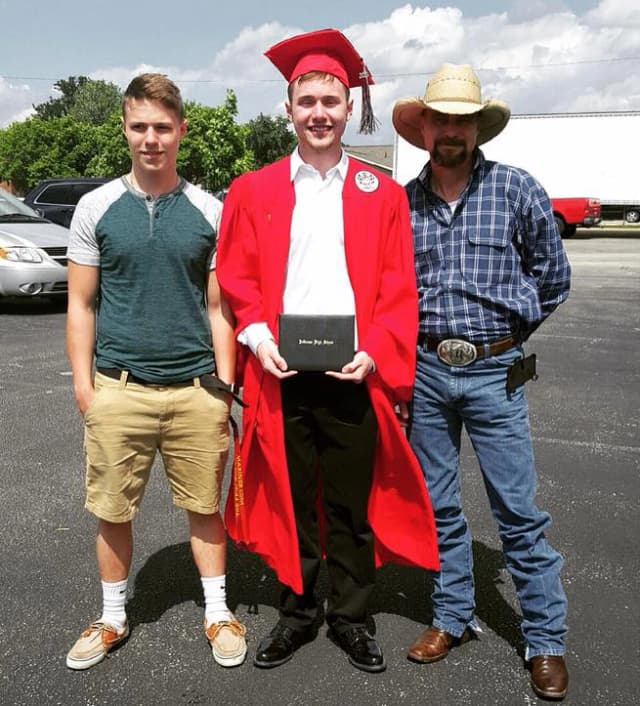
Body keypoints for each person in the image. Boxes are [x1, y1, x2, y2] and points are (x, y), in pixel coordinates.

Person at [216, 29, 439, 673]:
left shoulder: (382, 193)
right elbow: (237, 277)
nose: (318, 112)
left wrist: (374, 350)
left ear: (348, 109)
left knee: (348, 501)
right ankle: (297, 612)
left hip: (352, 372)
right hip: (280, 371)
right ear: (288, 109)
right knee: (291, 497)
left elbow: (399, 288)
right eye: (305, 99)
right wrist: (256, 337)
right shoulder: (252, 190)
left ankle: (349, 615)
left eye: (330, 101)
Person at [392, 63, 571, 700]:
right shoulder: (402, 203)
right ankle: (452, 617)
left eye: (461, 120)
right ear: (424, 128)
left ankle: (545, 638)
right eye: (440, 119)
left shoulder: (517, 190)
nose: (450, 131)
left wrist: (508, 339)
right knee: (439, 506)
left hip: (496, 371)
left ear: (476, 128)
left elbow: (554, 278)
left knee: (518, 512)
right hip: (427, 370)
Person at [65, 73, 246, 671]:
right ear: (125, 129)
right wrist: (85, 388)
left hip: (197, 390)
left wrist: (224, 387)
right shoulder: (96, 207)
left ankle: (217, 613)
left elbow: (220, 308)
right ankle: (113, 617)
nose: (151, 139)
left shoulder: (207, 210)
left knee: (204, 508)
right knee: (112, 511)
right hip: (120, 391)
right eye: (140, 126)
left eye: (162, 127)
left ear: (181, 131)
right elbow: (81, 304)